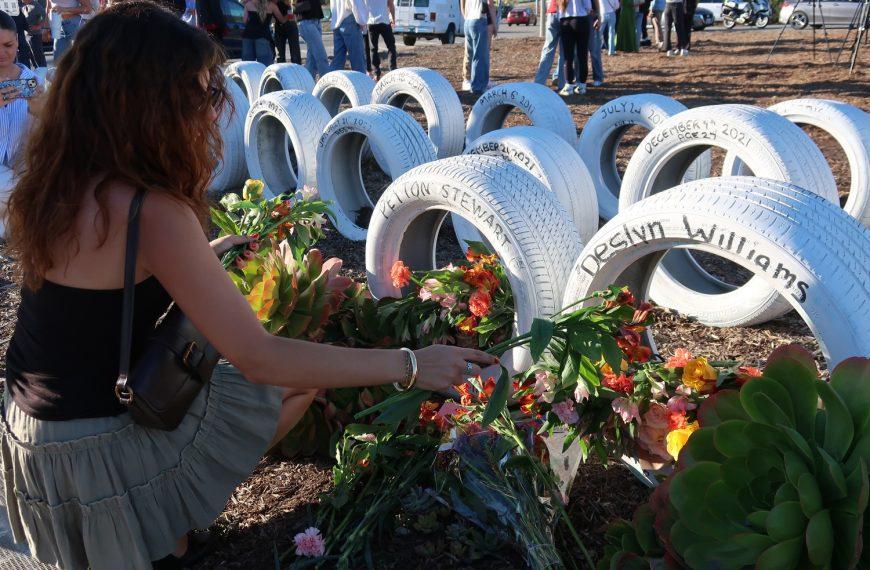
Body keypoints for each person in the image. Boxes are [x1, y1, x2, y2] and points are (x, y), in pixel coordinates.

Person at [1, 3, 497, 568]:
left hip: (30, 434)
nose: (218, 112)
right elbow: (260, 357)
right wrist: (411, 363)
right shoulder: (152, 210)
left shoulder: (58, 181)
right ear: (145, 107)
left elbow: (90, 295)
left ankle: (165, 526)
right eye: (202, 95)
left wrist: (203, 257)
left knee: (259, 385)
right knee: (282, 386)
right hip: (94, 452)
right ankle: (164, 531)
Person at [557, 0, 593, 96]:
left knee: (568, 57)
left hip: (565, 21)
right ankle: (582, 85)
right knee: (582, 55)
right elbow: (588, 6)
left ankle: (569, 85)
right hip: (581, 20)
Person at [461, 0, 494, 94]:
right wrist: (495, 26)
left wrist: (466, 17)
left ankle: (472, 82)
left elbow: (462, 5)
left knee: (471, 54)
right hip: (479, 19)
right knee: (480, 56)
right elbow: (490, 4)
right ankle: (478, 86)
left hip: (468, 21)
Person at [242, 0, 285, 66]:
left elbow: (244, 21)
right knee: (265, 65)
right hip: (262, 36)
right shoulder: (272, 5)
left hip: (247, 35)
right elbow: (281, 20)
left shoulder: (248, 4)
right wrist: (288, 17)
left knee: (247, 65)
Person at [294, 0, 329, 78]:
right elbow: (294, 5)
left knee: (312, 58)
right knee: (321, 56)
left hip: (316, 20)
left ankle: (308, 83)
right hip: (306, 21)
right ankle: (328, 83)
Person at [329, 0, 367, 72]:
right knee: (357, 59)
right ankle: (360, 82)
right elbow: (355, 2)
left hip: (337, 20)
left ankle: (333, 81)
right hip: (348, 18)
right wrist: (361, 21)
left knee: (338, 59)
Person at [533, 0, 563, 87]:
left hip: (552, 12)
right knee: (564, 51)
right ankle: (562, 83)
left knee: (548, 49)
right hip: (565, 13)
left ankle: (539, 82)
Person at [367, 0, 396, 79]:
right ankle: (393, 70)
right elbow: (390, 4)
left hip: (371, 21)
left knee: (373, 49)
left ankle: (376, 74)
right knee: (391, 46)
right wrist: (393, 18)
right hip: (384, 21)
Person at [587, 11, 602, 86]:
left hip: (592, 18)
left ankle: (597, 77)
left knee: (595, 52)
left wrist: (598, 17)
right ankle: (579, 79)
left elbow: (597, 3)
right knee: (578, 54)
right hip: (579, 17)